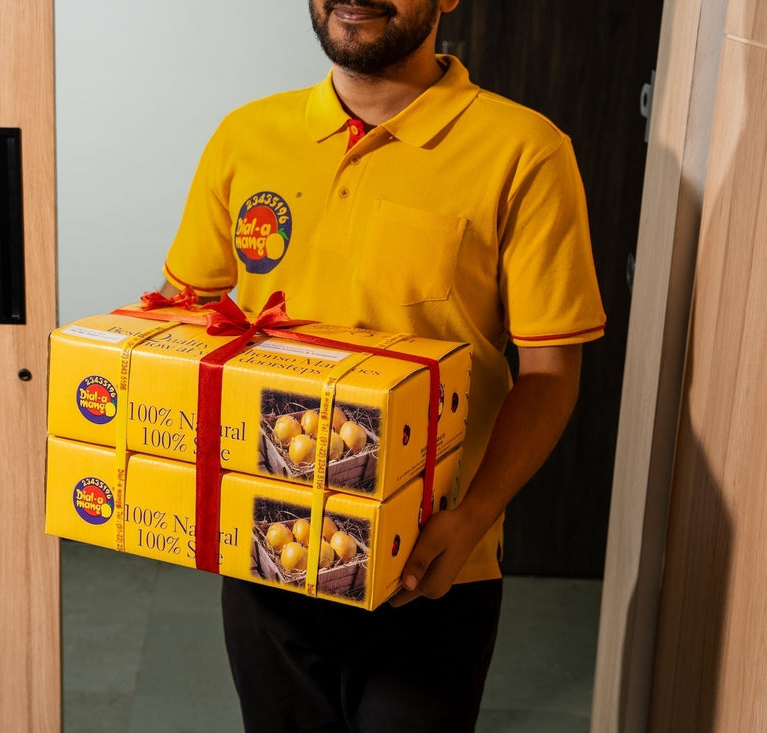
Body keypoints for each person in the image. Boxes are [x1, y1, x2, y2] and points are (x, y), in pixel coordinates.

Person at [159, 1, 606, 730]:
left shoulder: (525, 150)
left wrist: (470, 520)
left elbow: (552, 372)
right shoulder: (247, 136)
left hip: (429, 571)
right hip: (266, 552)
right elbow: (185, 320)